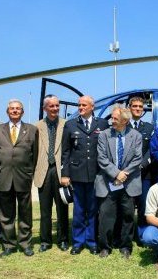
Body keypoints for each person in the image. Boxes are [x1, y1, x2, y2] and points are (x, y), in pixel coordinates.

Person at [61, 96, 108, 255]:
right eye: (79, 105)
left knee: (93, 210)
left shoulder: (102, 124)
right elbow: (66, 152)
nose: (80, 107)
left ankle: (92, 241)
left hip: (96, 174)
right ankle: (78, 242)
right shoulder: (70, 124)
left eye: (84, 105)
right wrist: (65, 174)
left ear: (92, 107)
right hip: (77, 174)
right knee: (79, 211)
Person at [95, 107, 142, 259]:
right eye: (112, 118)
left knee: (128, 216)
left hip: (129, 182)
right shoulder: (104, 135)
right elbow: (101, 158)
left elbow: (137, 158)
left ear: (125, 121)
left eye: (115, 119)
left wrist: (123, 174)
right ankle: (105, 247)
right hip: (108, 181)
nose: (111, 121)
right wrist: (116, 173)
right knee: (105, 215)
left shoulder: (136, 136)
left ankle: (125, 246)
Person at [0, 100, 38, 257]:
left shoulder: (32, 130)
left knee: (25, 212)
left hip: (23, 177)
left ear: (23, 112)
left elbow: (36, 154)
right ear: (7, 111)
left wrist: (30, 173)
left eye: (18, 109)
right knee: (6, 214)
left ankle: (26, 244)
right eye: (12, 109)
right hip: (4, 177)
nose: (15, 111)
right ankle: (9, 245)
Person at [33, 95, 69, 252]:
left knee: (62, 208)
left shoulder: (67, 125)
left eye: (57, 106)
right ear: (44, 108)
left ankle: (63, 239)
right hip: (44, 171)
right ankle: (45, 241)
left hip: (61, 172)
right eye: (51, 106)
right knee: (45, 209)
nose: (55, 109)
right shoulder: (37, 127)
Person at [127, 96, 154, 239]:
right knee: (128, 206)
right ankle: (129, 235)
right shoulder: (123, 126)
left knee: (144, 205)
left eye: (140, 107)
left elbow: (151, 150)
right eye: (135, 106)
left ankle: (142, 234)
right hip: (128, 175)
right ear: (129, 108)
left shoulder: (149, 127)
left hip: (145, 174)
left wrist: (142, 164)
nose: (138, 109)